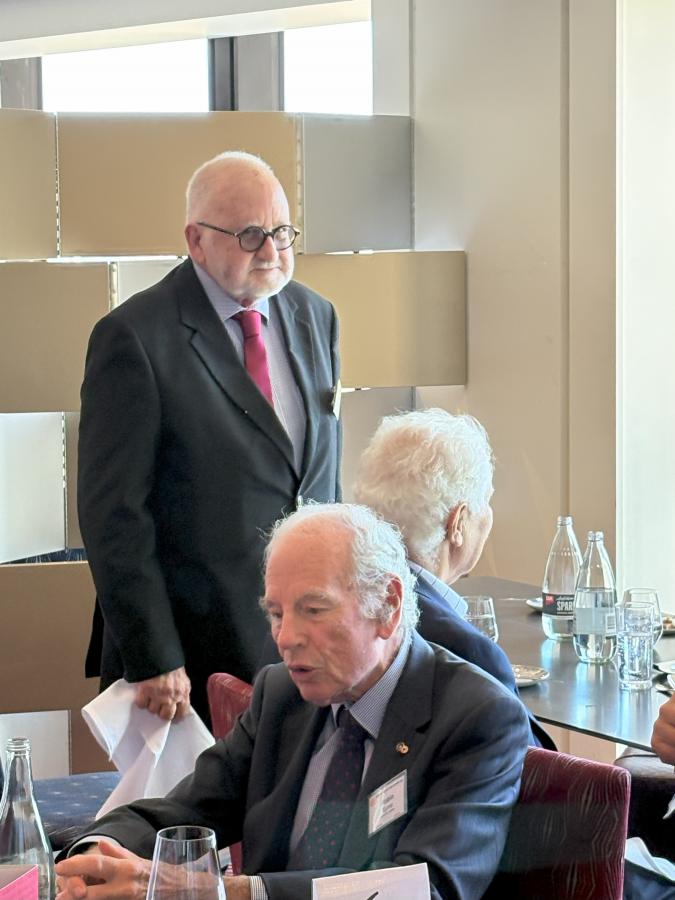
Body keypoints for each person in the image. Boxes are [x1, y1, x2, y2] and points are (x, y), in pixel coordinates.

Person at [56, 503, 530, 900]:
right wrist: (96, 855)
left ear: (388, 605)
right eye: (276, 613)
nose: (286, 638)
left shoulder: (477, 717)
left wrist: (223, 891)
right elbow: (181, 811)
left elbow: (425, 888)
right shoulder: (282, 695)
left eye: (313, 610)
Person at [77, 151, 341, 726]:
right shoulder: (134, 337)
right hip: (189, 653)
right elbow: (113, 514)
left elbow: (318, 483)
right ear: (196, 240)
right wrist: (154, 654)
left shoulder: (314, 315)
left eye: (281, 233)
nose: (270, 252)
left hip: (304, 642)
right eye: (250, 236)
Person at [352, 407, 554, 749]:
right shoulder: (464, 649)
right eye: (485, 503)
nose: (488, 516)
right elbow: (530, 764)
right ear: (457, 523)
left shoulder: (327, 600)